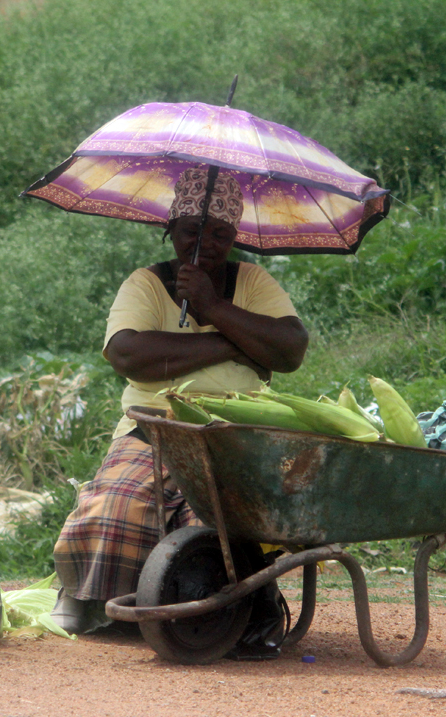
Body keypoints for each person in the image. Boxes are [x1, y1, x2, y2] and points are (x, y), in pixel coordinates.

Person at [50, 167, 309, 634]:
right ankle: (88, 595)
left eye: (219, 233)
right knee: (118, 508)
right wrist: (237, 342)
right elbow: (130, 355)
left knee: (220, 519)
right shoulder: (147, 284)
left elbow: (289, 350)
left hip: (234, 434)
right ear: (170, 229)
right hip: (152, 426)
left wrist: (213, 309)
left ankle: (239, 609)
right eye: (192, 230)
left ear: (233, 237)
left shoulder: (252, 283)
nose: (204, 242)